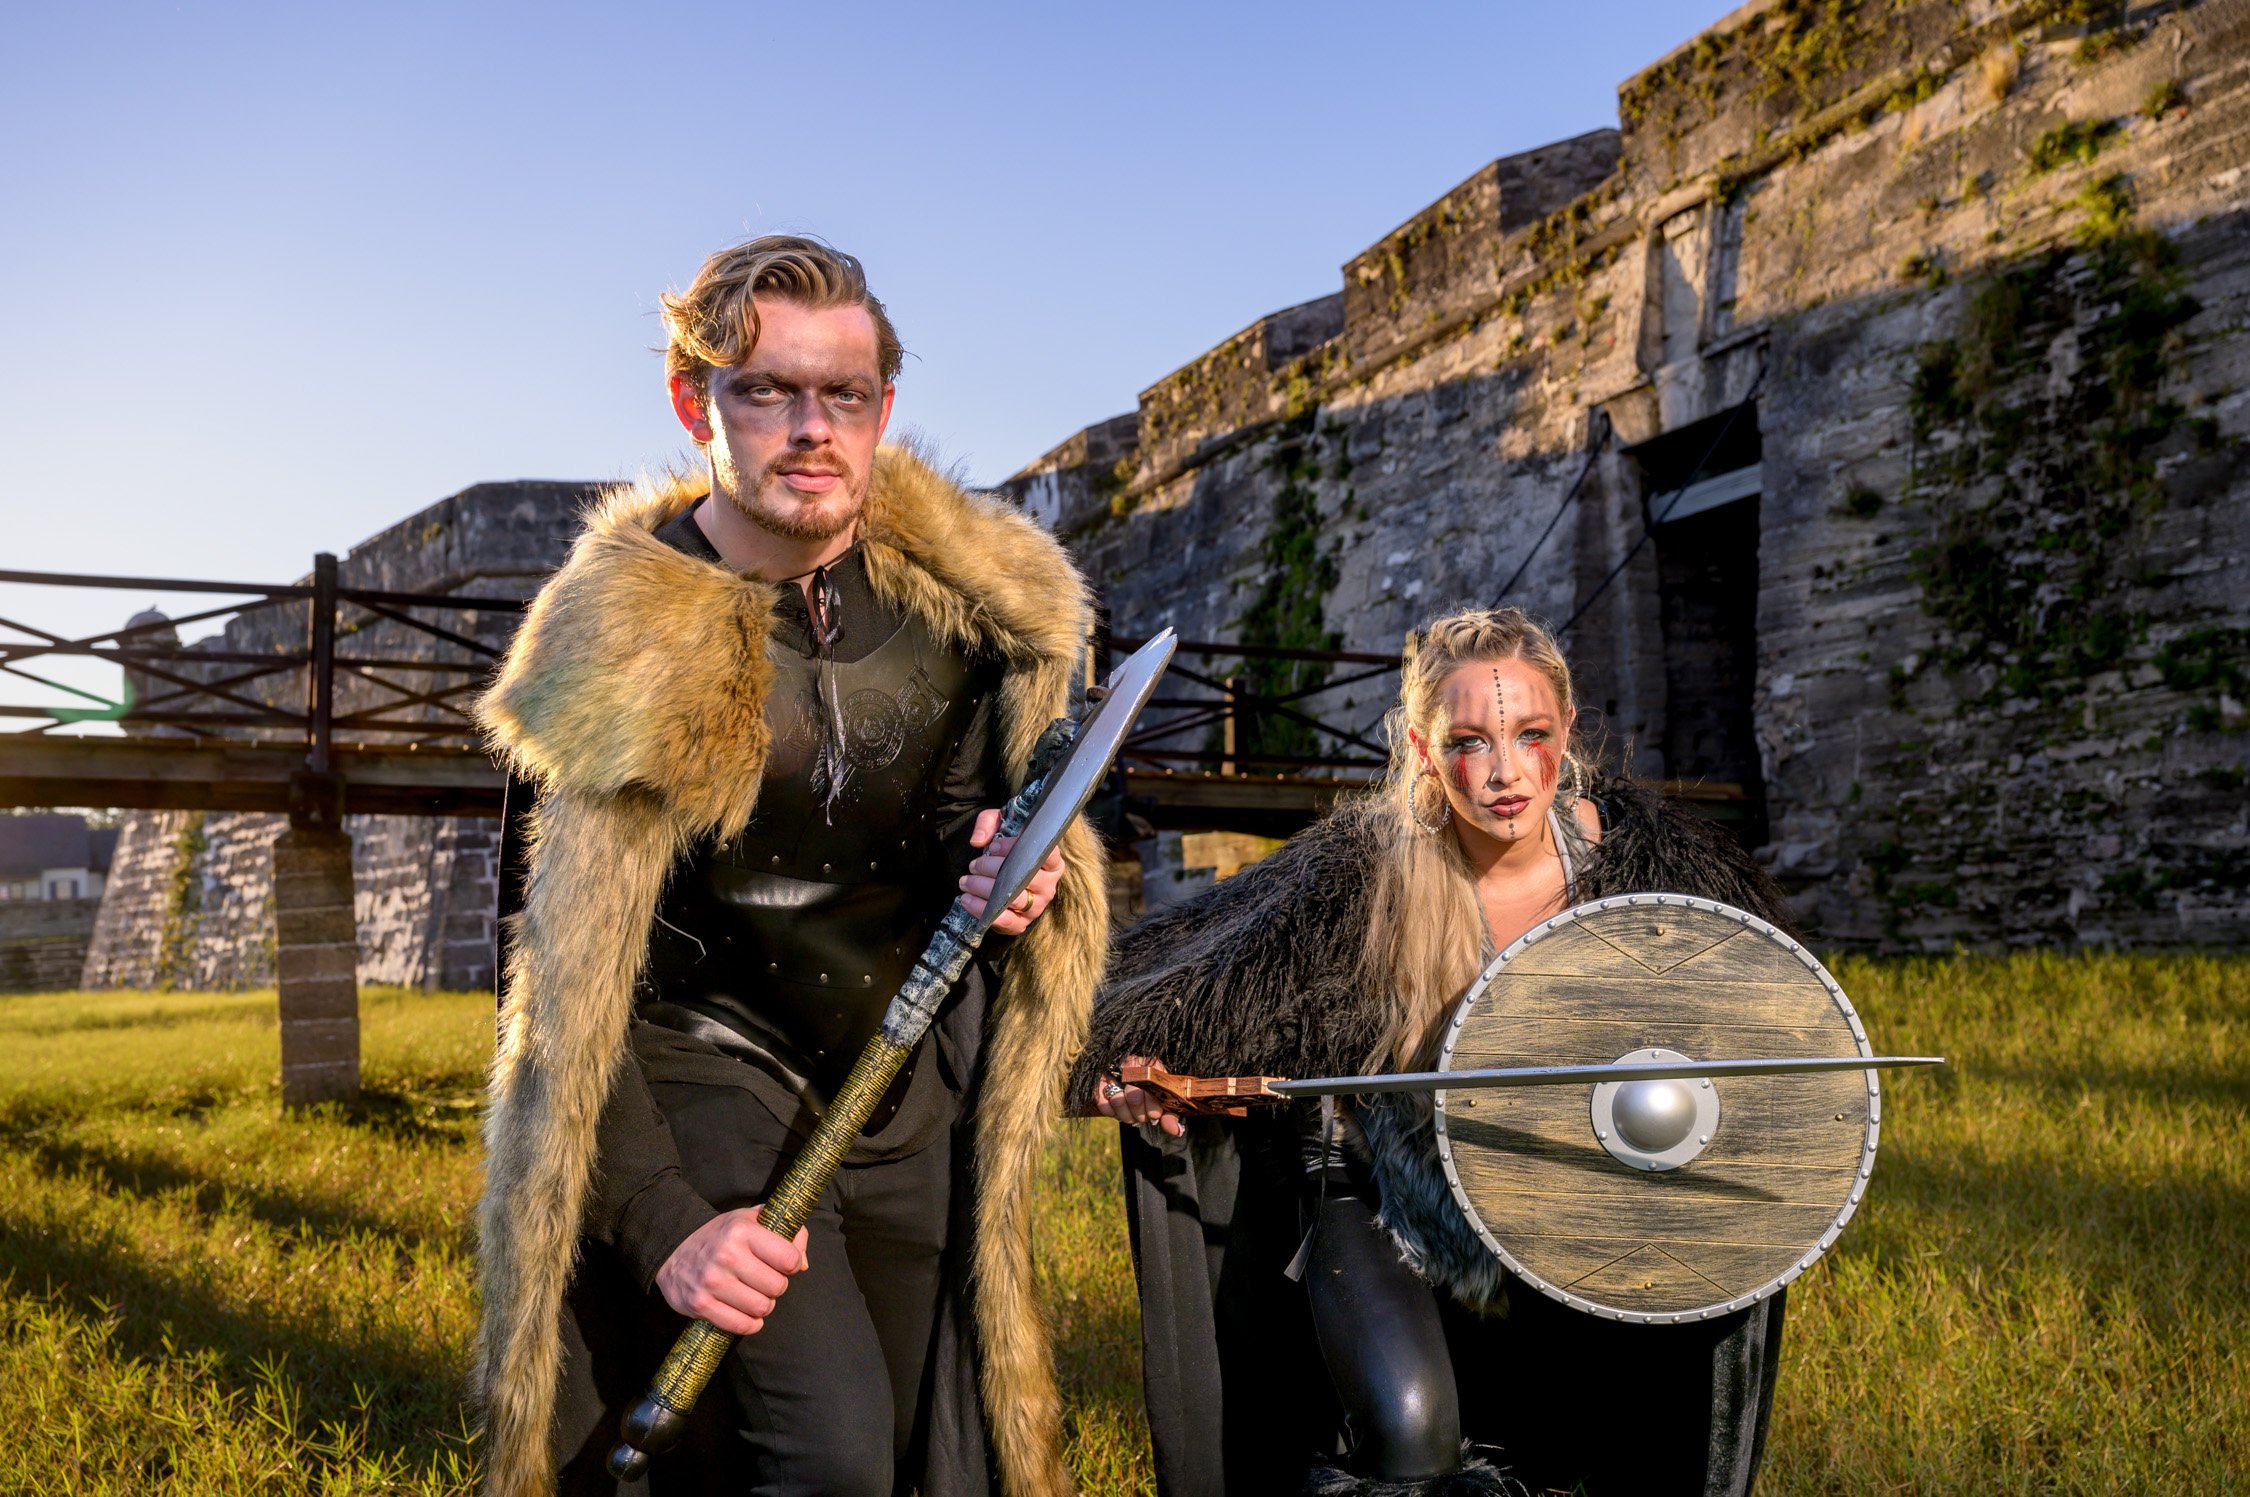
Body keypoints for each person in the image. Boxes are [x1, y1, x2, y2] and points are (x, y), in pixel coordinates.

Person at [475, 235, 1109, 1497]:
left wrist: (1005, 870)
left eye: (845, 395)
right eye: (767, 390)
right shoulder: (614, 645)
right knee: (827, 1455)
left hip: (905, 1085)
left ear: (883, 409)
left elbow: (961, 810)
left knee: (945, 1442)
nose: (810, 429)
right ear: (693, 401)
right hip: (707, 1065)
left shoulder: (981, 611)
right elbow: (549, 992)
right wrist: (665, 1220)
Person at [1070, 607, 1794, 1497]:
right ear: (1420, 746)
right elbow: (1166, 984)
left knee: (1635, 1439)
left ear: (1567, 730)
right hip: (1389, 1198)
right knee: (1409, 1431)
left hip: (1581, 1202)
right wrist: (1122, 1077)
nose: (1503, 773)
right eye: (1467, 741)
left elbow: (1768, 1030)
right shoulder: (1356, 876)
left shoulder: (1660, 871)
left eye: (1529, 734)